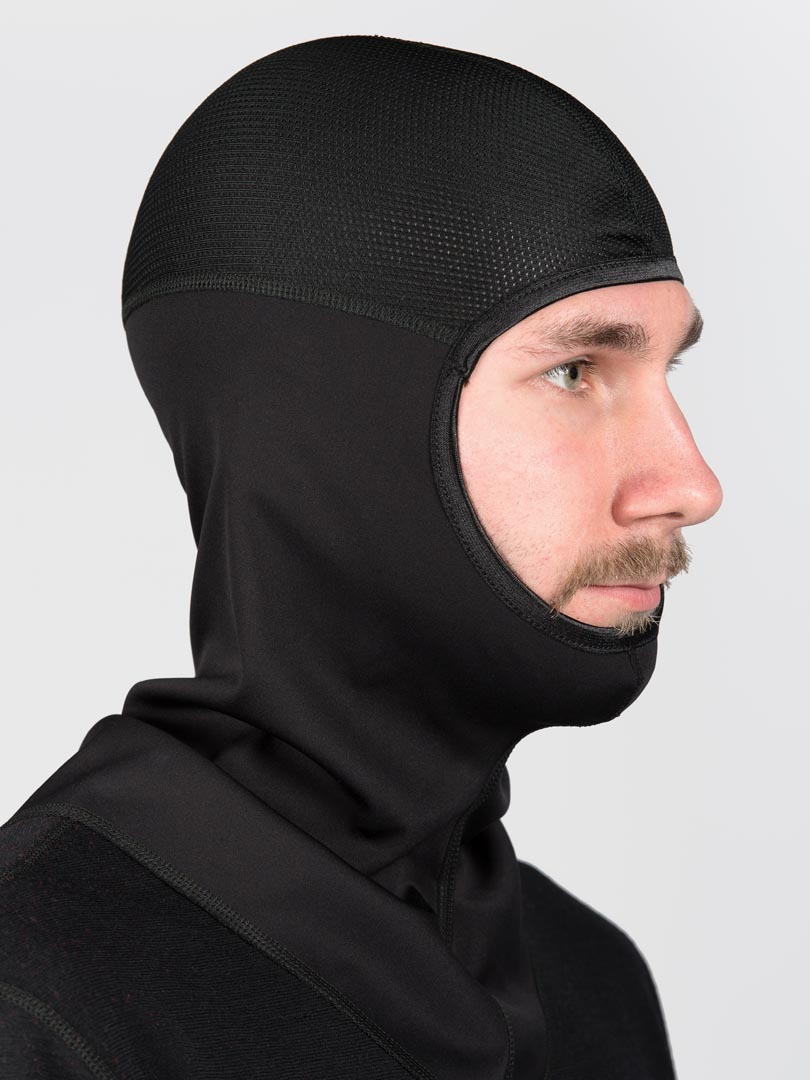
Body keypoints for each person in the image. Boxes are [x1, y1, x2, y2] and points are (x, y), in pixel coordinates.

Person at [0, 33, 721, 1080]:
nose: (691, 482)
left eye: (668, 372)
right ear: (327, 425)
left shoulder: (590, 983)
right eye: (576, 371)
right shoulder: (43, 1007)